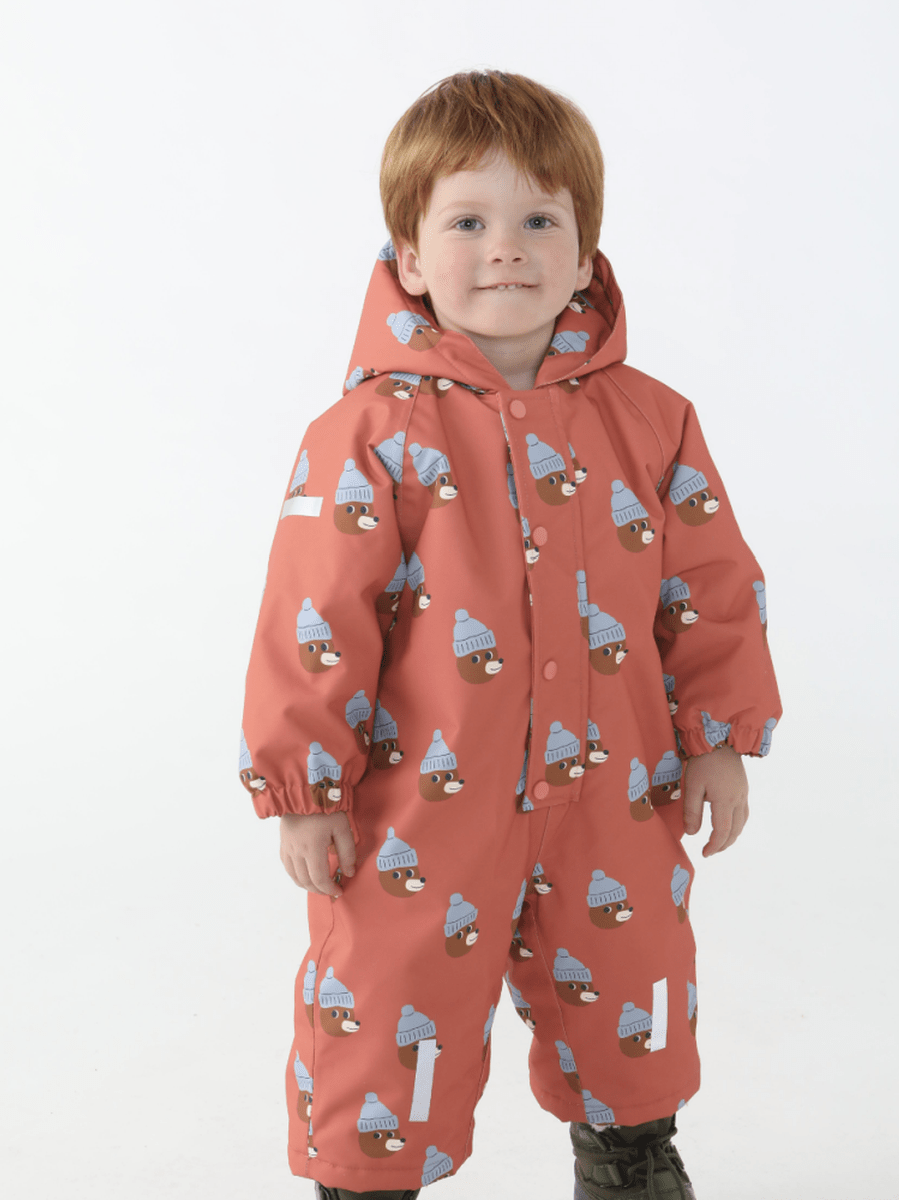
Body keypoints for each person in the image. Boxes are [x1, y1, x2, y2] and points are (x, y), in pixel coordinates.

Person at [238, 69, 782, 1200]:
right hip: (419, 807)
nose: (506, 249)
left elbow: (707, 588)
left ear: (585, 256)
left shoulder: (652, 421)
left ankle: (630, 1160)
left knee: (634, 987)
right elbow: (315, 616)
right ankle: (364, 1184)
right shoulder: (370, 433)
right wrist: (306, 786)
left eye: (540, 220)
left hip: (616, 794)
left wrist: (719, 737)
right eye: (467, 223)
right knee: (388, 1008)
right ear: (409, 253)